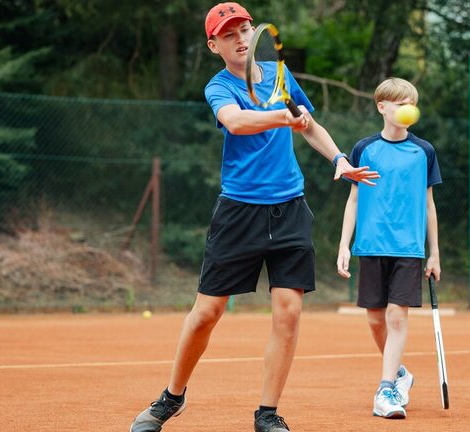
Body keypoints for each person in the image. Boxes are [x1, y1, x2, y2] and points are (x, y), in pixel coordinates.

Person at [129, 3, 379, 432]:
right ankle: (172, 397)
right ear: (214, 45)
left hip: (290, 209)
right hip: (239, 212)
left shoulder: (281, 76)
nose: (241, 38)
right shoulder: (219, 86)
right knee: (207, 313)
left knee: (289, 312)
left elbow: (309, 124)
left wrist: (337, 157)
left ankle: (267, 413)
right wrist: (281, 116)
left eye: (245, 29)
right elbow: (238, 122)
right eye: (229, 35)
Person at [336, 78, 441, 419]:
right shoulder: (364, 149)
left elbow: (429, 205)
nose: (405, 108)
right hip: (371, 244)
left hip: (408, 248)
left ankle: (385, 390)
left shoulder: (423, 151)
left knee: (397, 316)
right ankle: (399, 374)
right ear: (382, 107)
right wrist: (344, 245)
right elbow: (353, 200)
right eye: (398, 102)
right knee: (375, 320)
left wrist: (434, 252)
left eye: (410, 102)